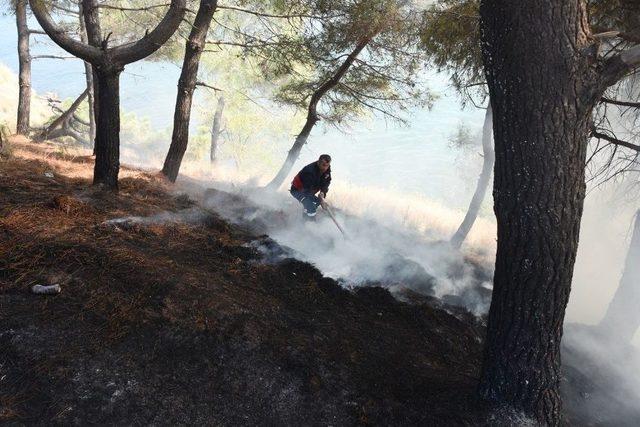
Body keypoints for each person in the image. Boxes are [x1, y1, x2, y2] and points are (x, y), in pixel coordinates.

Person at [290, 154, 332, 220]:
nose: (325, 168)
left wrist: (323, 192)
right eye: (323, 165)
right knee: (311, 206)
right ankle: (311, 223)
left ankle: (305, 218)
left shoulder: (327, 169)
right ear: (318, 162)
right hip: (298, 191)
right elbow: (306, 191)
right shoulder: (309, 171)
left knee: (315, 202)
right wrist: (322, 202)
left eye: (327, 165)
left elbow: (326, 182)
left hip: (308, 191)